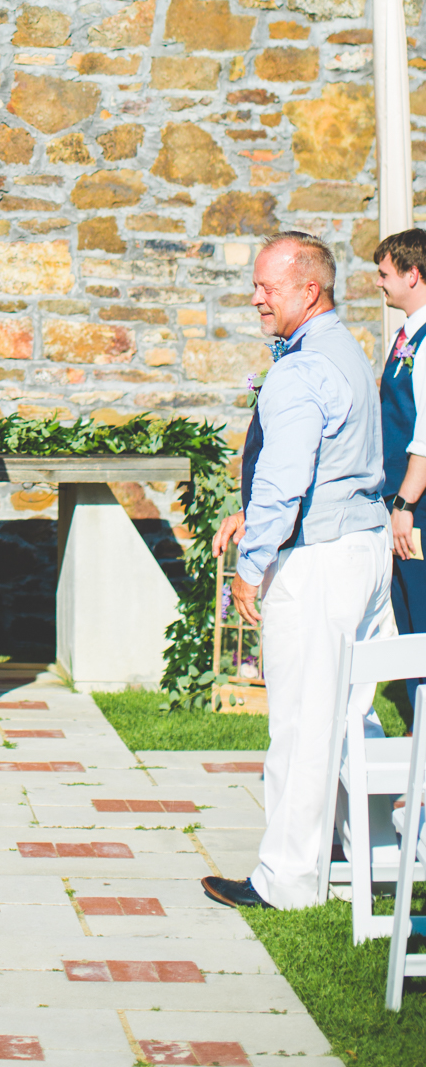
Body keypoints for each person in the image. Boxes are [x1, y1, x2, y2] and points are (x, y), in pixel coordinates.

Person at [202, 231, 392, 912]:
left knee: (303, 725)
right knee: (352, 719)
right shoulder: (348, 351)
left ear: (308, 290)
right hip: (364, 549)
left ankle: (287, 879)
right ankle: (379, 857)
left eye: (268, 287)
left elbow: (286, 480)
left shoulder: (299, 370)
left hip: (318, 561)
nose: (256, 298)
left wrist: (252, 567)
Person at [374, 228, 426, 715]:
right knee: (409, 623)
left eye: (385, 274)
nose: (379, 283)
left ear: (414, 274)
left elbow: (425, 436)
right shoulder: (404, 336)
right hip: (399, 501)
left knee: (423, 624)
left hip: (416, 507)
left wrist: (405, 506)